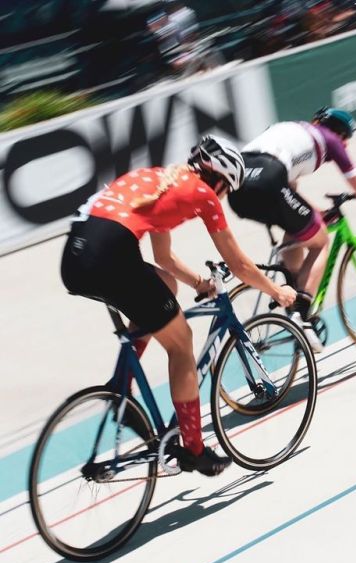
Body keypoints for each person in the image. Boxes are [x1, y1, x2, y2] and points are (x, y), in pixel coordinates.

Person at [61, 135, 296, 477]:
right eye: (226, 190)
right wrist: (277, 291)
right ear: (220, 180)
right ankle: (194, 450)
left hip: (75, 259)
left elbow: (163, 258)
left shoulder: (160, 180)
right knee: (182, 344)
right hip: (110, 257)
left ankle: (122, 392)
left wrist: (200, 285)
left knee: (164, 285)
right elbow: (240, 265)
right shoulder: (203, 194)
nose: (223, 197)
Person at [227, 107, 356, 353]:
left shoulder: (289, 129)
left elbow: (290, 194)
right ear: (341, 135)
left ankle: (291, 298)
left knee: (300, 230)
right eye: (346, 141)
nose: (345, 146)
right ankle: (300, 317)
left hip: (239, 188)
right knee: (320, 243)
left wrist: (317, 213)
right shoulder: (330, 140)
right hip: (269, 180)